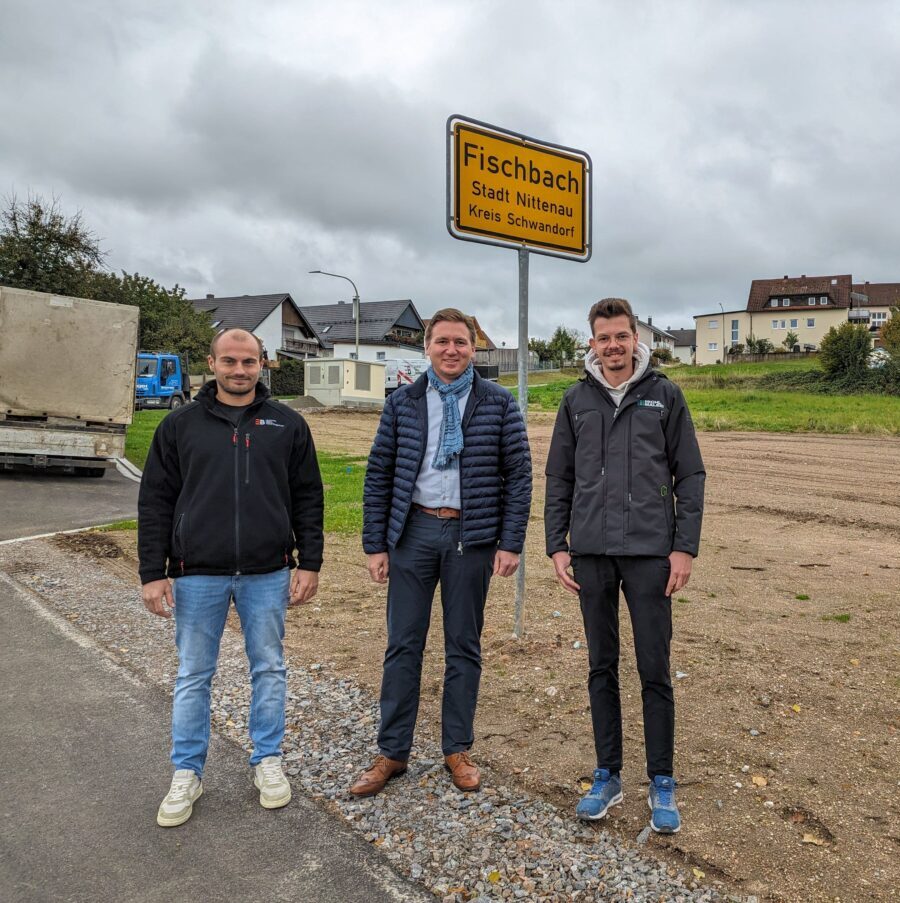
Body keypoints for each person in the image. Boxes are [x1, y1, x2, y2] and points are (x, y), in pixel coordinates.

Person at [138, 327, 323, 827]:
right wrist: (152, 572)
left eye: (249, 362)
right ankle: (187, 772)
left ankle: (266, 759)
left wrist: (310, 562)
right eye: (230, 361)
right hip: (198, 573)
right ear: (212, 363)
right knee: (194, 675)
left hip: (267, 572)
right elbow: (155, 501)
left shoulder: (287, 424)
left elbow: (308, 496)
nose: (239, 370)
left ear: (263, 363)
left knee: (269, 668)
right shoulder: (180, 425)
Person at [350, 308, 532, 797]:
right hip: (411, 535)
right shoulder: (403, 403)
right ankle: (392, 752)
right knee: (402, 645)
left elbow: (519, 476)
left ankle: (457, 749)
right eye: (442, 341)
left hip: (470, 539)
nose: (451, 350)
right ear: (426, 346)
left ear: (474, 348)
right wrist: (375, 545)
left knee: (463, 647)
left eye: (461, 342)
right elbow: (379, 474)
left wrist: (511, 541)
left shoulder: (497, 402)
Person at [544, 298, 705, 834]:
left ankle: (661, 779)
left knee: (654, 669)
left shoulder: (665, 396)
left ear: (636, 339)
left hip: (650, 554)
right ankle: (607, 774)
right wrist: (556, 544)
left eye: (621, 336)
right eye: (603, 337)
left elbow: (692, 476)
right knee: (601, 665)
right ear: (591, 342)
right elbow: (559, 479)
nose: (613, 346)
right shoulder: (575, 401)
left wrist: (683, 547)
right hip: (590, 552)